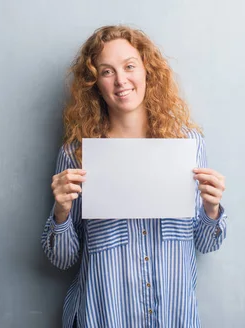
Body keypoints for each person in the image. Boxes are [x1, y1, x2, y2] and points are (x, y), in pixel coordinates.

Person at [41, 25, 228, 328]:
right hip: (104, 316)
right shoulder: (77, 154)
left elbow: (206, 244)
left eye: (129, 66)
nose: (121, 80)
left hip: (173, 316)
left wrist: (212, 209)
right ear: (95, 83)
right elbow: (63, 260)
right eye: (106, 71)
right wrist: (61, 212)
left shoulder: (187, 145)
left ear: (147, 71)